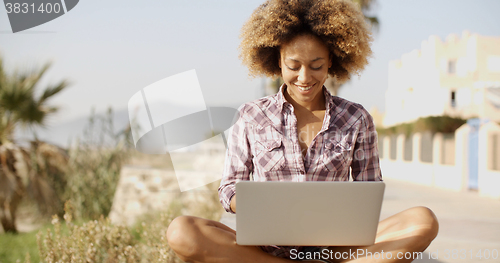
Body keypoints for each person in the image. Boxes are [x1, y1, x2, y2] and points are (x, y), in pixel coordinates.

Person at [166, 0, 439, 262]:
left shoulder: (357, 118)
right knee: (182, 232)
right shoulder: (251, 116)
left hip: (335, 247)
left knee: (422, 221)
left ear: (331, 60)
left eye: (316, 65)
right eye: (293, 66)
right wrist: (259, 209)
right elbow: (228, 188)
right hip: (266, 248)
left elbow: (369, 190)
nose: (305, 78)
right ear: (277, 62)